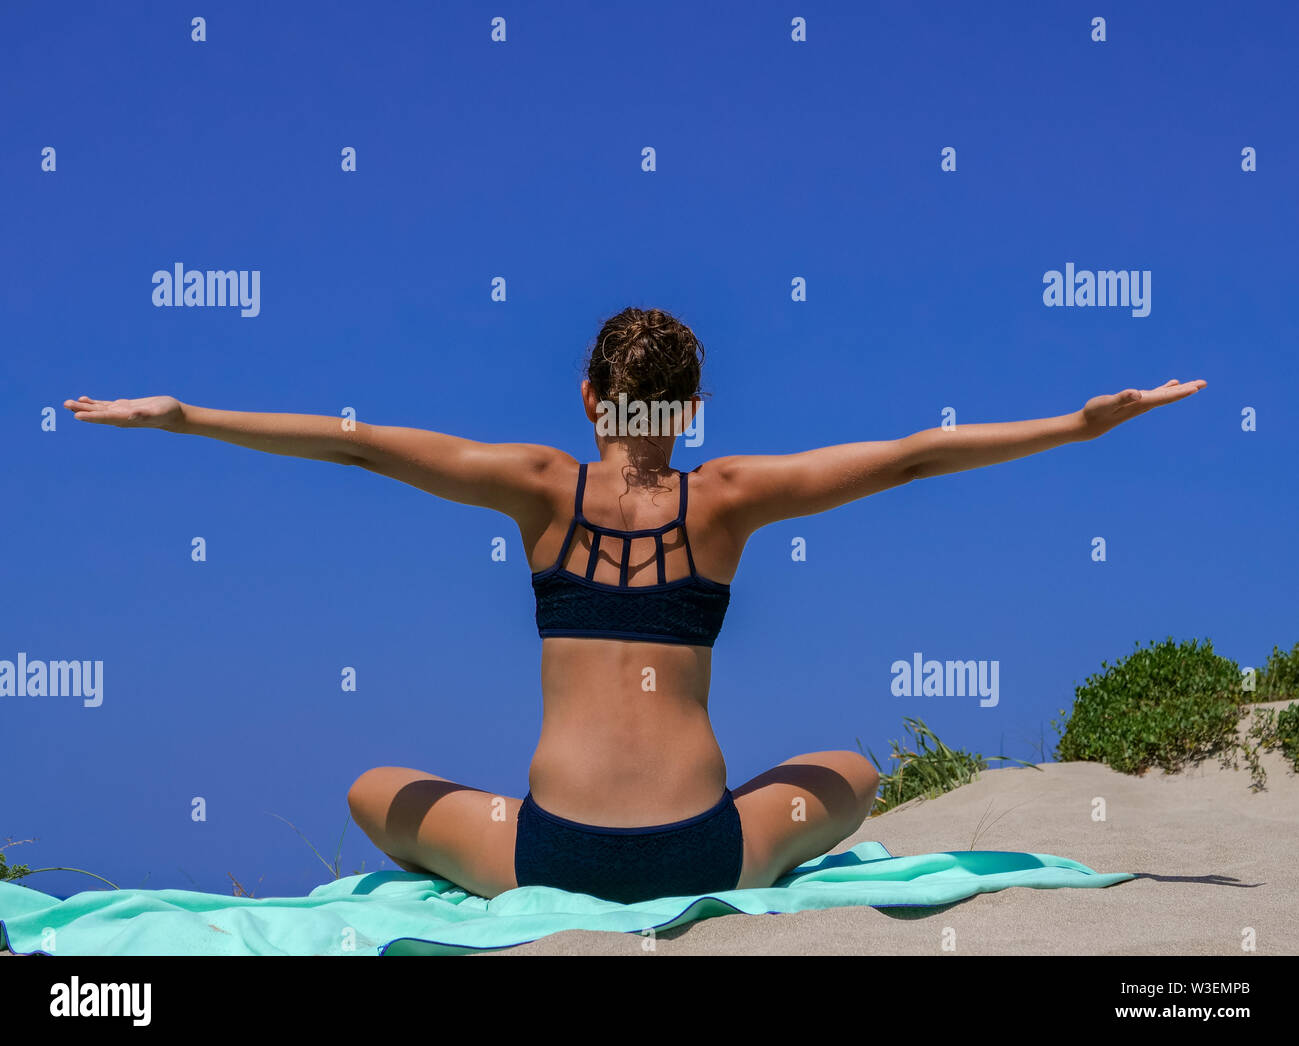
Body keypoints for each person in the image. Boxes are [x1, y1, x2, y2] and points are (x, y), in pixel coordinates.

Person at [63, 306, 1205, 903]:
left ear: (587, 395)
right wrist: (1076, 425)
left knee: (370, 791)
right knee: (855, 773)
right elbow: (910, 457)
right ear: (692, 407)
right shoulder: (730, 497)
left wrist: (186, 414)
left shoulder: (537, 483)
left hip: (552, 853)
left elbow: (360, 447)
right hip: (705, 852)